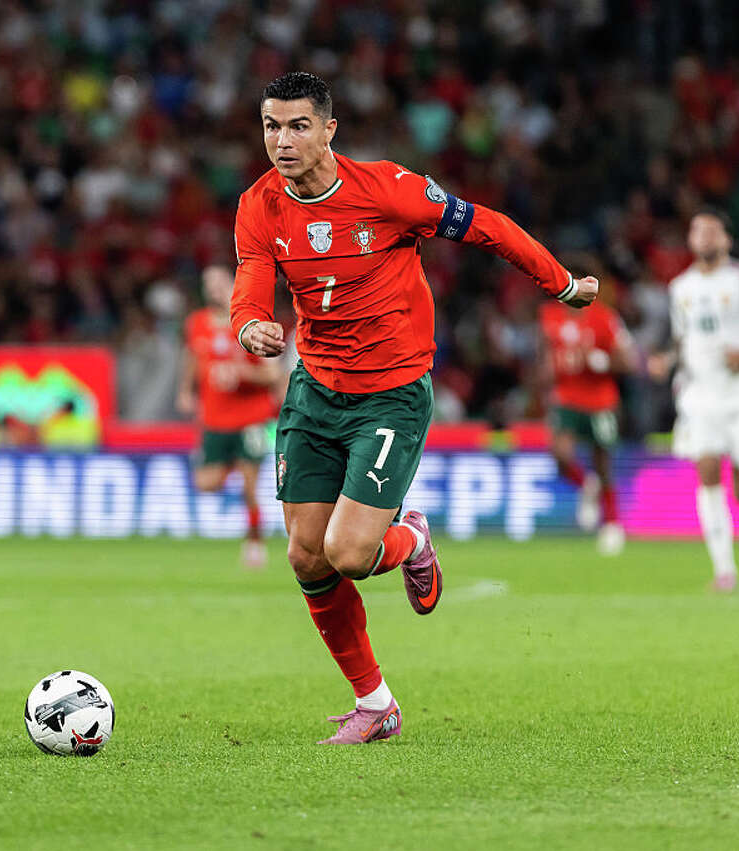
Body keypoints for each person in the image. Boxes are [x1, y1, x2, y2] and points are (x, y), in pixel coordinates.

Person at [230, 72, 598, 744]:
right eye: (270, 126)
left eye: (297, 126)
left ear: (330, 130)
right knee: (305, 557)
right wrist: (251, 322)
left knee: (347, 551)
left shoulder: (389, 192)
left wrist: (563, 282)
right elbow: (253, 278)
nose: (281, 141)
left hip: (390, 395)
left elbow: (486, 227)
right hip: (314, 391)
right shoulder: (260, 204)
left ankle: (413, 539)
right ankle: (376, 704)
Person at [649, 210, 739, 590]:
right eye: (698, 230)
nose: (705, 236)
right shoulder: (679, 289)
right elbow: (683, 341)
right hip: (699, 392)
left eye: (713, 230)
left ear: (727, 240)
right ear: (691, 239)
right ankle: (724, 571)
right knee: (708, 469)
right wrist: (667, 360)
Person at [177, 265, 282, 568]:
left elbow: (273, 374)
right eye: (208, 284)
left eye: (220, 283)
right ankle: (233, 467)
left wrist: (241, 372)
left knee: (250, 487)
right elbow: (192, 356)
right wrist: (186, 389)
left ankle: (254, 542)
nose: (214, 289)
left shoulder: (249, 325)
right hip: (214, 419)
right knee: (206, 482)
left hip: (251, 418)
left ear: (234, 285)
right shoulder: (196, 323)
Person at [539, 286, 637, 555]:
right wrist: (547, 373)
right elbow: (546, 355)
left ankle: (613, 525)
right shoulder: (550, 316)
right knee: (560, 455)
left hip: (600, 401)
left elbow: (629, 361)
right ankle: (587, 486)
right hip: (566, 397)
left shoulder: (605, 318)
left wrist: (604, 361)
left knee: (603, 464)